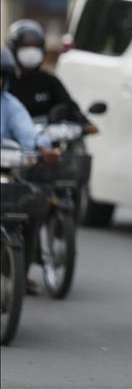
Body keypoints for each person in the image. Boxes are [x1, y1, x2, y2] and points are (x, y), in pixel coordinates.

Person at [1, 45, 58, 296]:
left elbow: (28, 134)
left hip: (6, 172)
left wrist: (43, 147)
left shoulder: (11, 105)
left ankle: (20, 274)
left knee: (28, 210)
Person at [6, 19, 97, 133]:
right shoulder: (5, 81)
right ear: (13, 50)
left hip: (46, 139)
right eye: (25, 47)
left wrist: (84, 123)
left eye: (35, 47)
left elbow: (69, 105)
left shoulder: (49, 81)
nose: (31, 52)